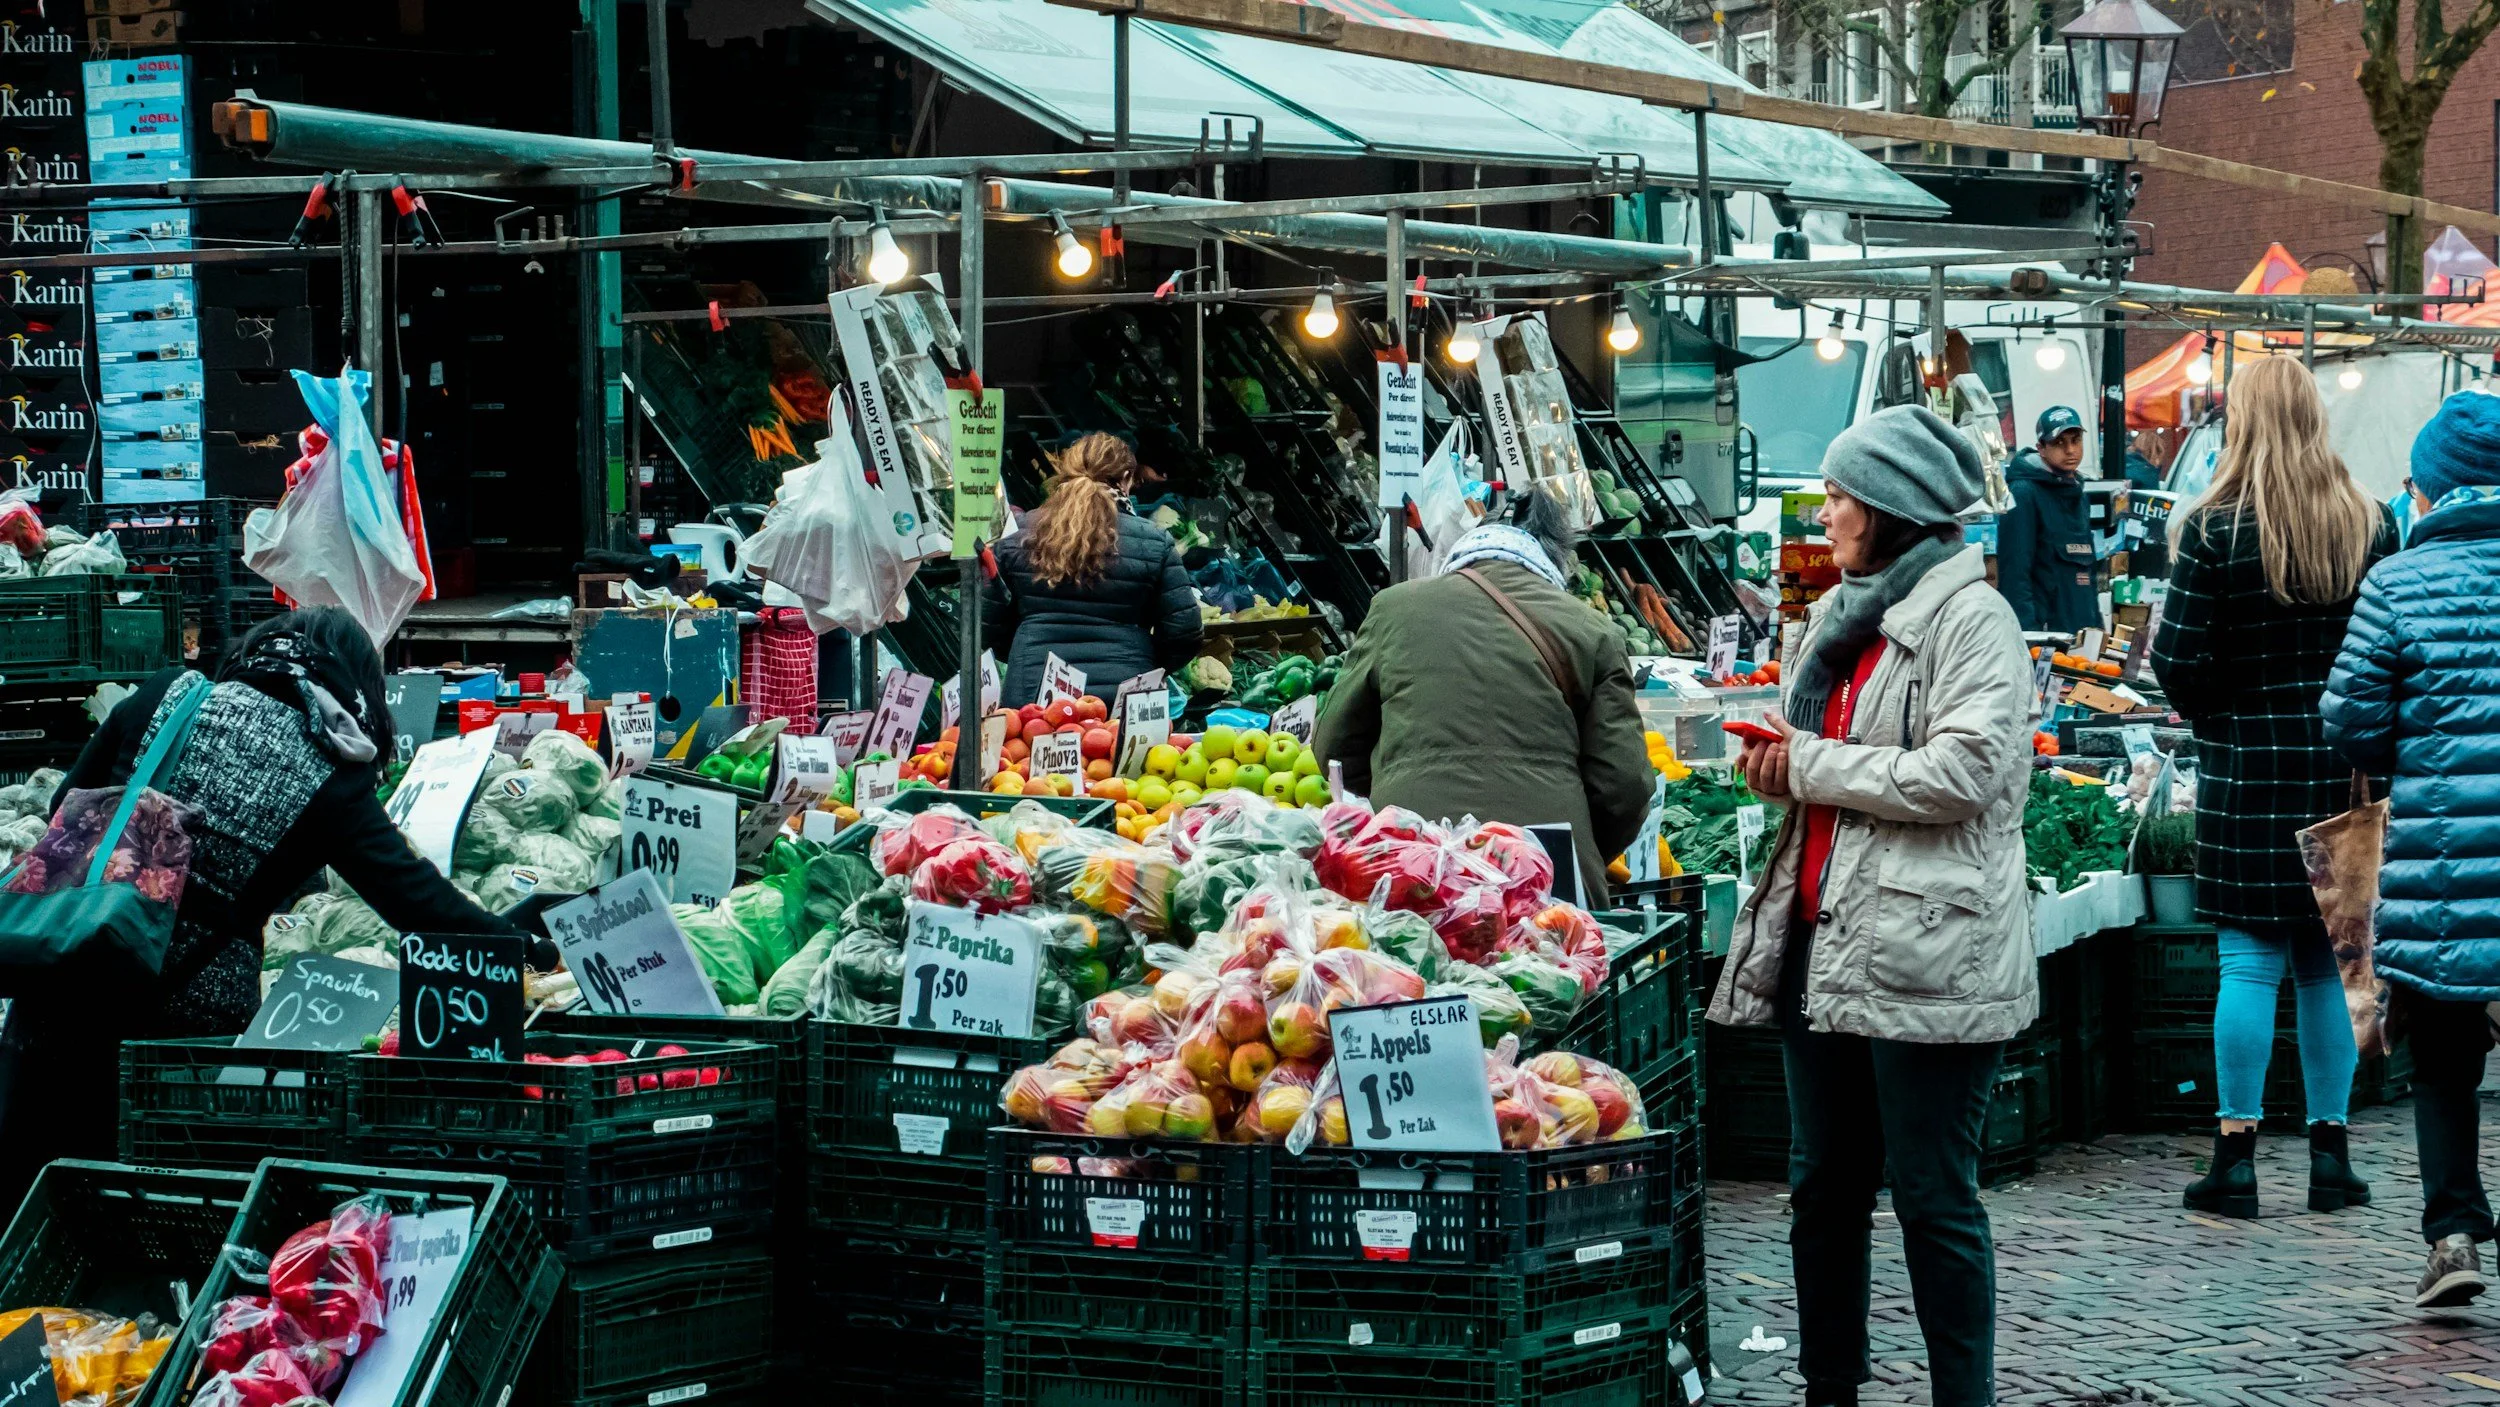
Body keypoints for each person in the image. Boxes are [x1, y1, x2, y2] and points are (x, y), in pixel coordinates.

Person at [1707, 404, 2036, 1407]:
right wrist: (1779, 766)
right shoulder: (1839, 618)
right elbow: (1836, 769)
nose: (1826, 514)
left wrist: (1811, 762)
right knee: (1823, 1188)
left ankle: (1962, 1397)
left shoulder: (1971, 618)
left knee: (1934, 1196)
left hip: (1929, 950)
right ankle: (1830, 1390)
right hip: (1823, 938)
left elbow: (1964, 771)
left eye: (1840, 496)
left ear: (1891, 505)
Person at [0, 607, 522, 1207]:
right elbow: (419, 903)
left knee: (28, 1202)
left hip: (62, 974)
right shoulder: (331, 772)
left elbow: (65, 808)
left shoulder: (167, 695)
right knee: (148, 1206)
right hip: (181, 1041)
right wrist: (522, 942)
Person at [2148, 355, 2393, 1220]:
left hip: (2244, 769)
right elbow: (2388, 653)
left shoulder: (2212, 529)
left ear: (2242, 420)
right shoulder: (2370, 523)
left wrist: (2222, 714)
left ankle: (2236, 1159)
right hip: (2341, 768)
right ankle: (2331, 1157)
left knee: (2248, 964)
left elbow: (2175, 659)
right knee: (2329, 966)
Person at [2323, 387, 2500, 1308]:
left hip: (2441, 865)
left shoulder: (2398, 582)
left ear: (2430, 488)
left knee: (2443, 1057)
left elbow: (2350, 720)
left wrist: (2420, 746)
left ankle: (2453, 1234)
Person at [1311, 490, 1649, 905]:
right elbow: (1625, 784)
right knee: (1552, 946)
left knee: (1410, 945)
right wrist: (1582, 846)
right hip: (1549, 867)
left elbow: (1334, 749)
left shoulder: (1393, 609)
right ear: (1557, 560)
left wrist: (1395, 802)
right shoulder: (1594, 630)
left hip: (1414, 860)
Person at [985, 432, 1201, 704]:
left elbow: (987, 625)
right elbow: (1184, 631)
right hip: (1124, 694)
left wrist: (1028, 654)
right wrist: (1143, 659)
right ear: (1126, 477)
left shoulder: (1016, 535)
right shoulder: (1155, 542)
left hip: (1035, 694)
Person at [1996, 405, 2101, 634]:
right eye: (2059, 443)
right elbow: (2015, 574)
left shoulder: (2078, 494)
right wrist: (2028, 637)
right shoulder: (2023, 494)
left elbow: (2088, 573)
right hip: (2046, 638)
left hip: (2081, 634)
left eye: (2075, 440)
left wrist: (2097, 626)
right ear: (2041, 448)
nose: (2070, 450)